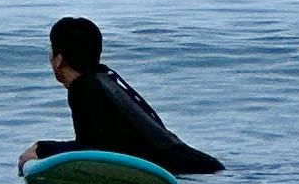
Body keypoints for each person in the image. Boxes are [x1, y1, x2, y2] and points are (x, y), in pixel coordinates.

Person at [19, 14, 223, 175]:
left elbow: (92, 149)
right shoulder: (106, 78)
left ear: (58, 59)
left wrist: (42, 149)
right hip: (197, 164)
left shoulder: (85, 87)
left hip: (183, 170)